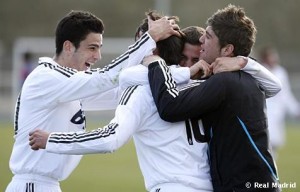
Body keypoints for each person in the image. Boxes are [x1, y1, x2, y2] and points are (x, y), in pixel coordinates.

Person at [29, 11, 282, 192]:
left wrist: (51, 139)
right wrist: (243, 63)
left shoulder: (143, 87)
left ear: (149, 50)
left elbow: (110, 138)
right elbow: (274, 87)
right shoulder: (201, 82)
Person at [6, 10, 180, 192]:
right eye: (92, 48)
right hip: (32, 185)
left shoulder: (70, 85)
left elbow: (118, 91)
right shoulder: (48, 77)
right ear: (68, 47)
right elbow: (107, 77)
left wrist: (172, 71)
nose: (98, 56)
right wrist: (150, 37)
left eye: (99, 47)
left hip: (44, 185)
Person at [146, 4, 281, 191]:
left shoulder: (224, 82)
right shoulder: (245, 74)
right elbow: (275, 87)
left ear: (227, 50)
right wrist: (244, 62)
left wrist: (155, 64)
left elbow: (169, 107)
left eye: (208, 36)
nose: (201, 39)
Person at [259, 46, 300, 159]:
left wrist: (295, 109)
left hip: (277, 115)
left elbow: (285, 94)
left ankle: (271, 174)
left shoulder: (281, 72)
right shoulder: (259, 71)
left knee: (274, 146)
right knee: (264, 145)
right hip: (263, 112)